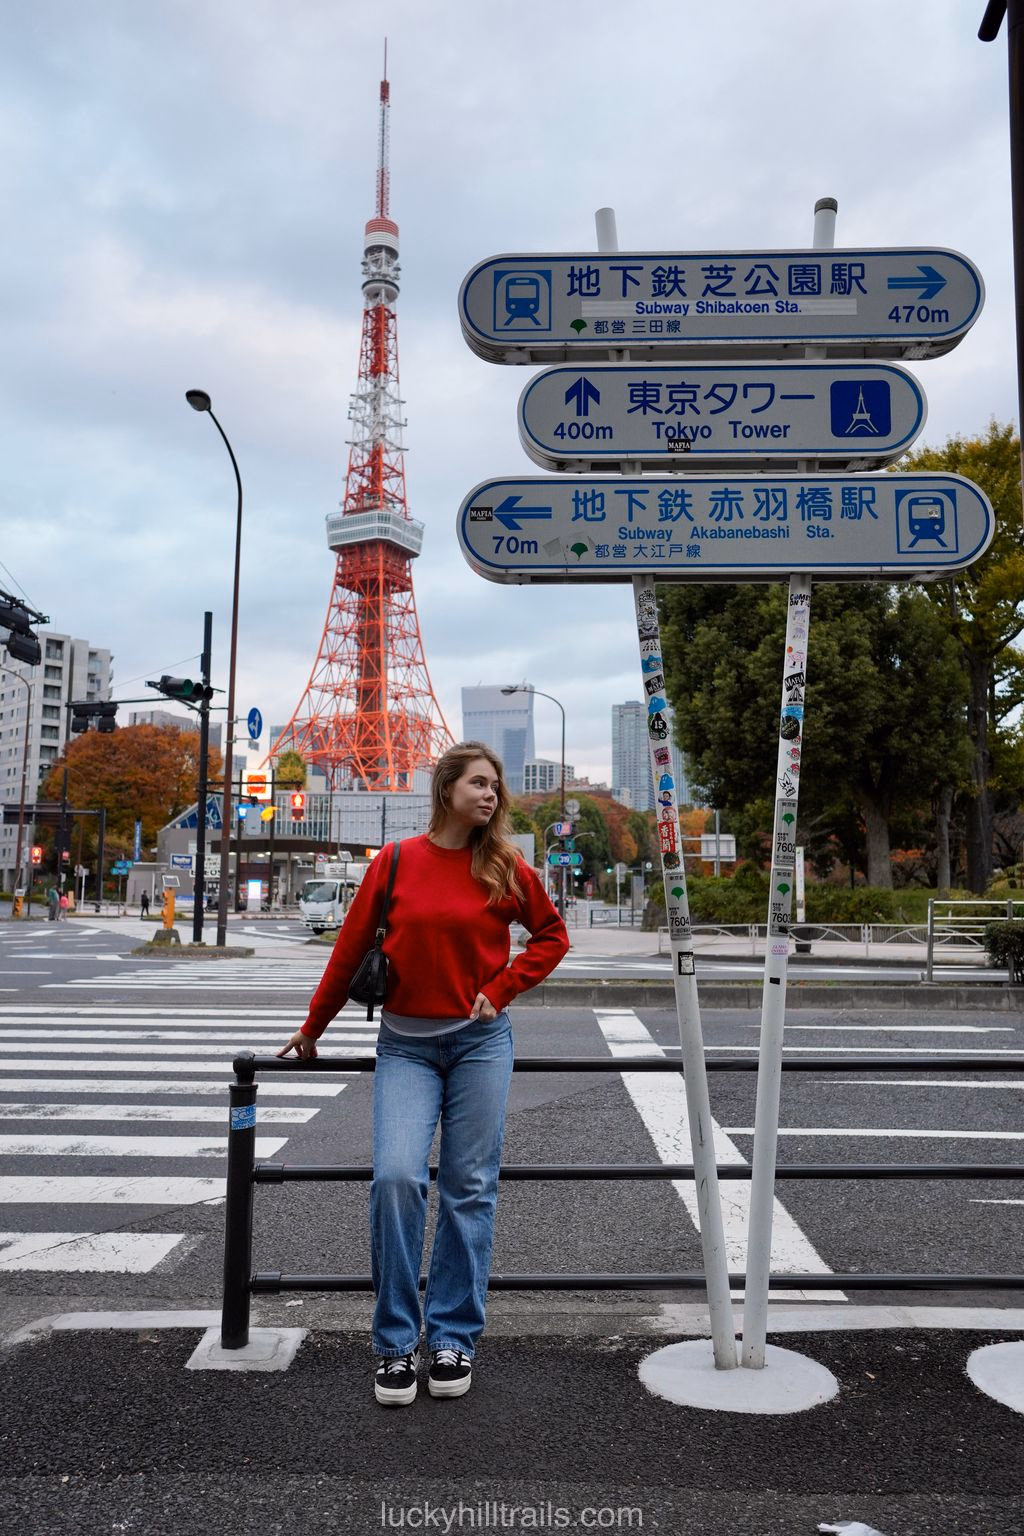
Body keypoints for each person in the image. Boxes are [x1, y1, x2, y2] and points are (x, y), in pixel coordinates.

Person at [277, 742, 569, 1407]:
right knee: (397, 1178)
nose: (490, 794)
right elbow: (350, 947)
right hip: (405, 1046)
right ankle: (393, 1343)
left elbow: (551, 936)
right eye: (478, 783)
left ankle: (453, 1336)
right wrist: (313, 1027)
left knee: (468, 1189)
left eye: (496, 785)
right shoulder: (397, 860)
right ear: (446, 789)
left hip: (480, 1045)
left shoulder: (504, 864)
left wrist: (505, 986)